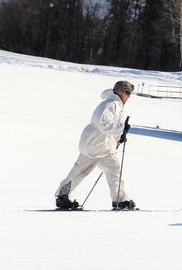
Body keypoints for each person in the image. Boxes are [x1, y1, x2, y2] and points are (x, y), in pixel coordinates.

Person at [55, 80, 137, 211]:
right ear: (120, 92)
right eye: (127, 92)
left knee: (82, 172)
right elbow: (103, 123)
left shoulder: (114, 103)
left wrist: (119, 136)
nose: (129, 96)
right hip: (98, 145)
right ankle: (121, 201)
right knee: (114, 170)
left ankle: (63, 196)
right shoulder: (112, 103)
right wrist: (121, 129)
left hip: (95, 144)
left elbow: (107, 126)